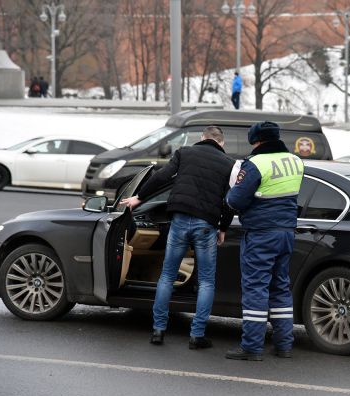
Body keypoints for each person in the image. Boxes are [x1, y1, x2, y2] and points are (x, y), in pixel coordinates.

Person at [120, 126, 235, 350]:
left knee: (167, 275)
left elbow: (161, 176)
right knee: (206, 281)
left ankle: (158, 330)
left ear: (202, 139)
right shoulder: (228, 163)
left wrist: (139, 198)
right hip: (206, 224)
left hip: (180, 219)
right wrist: (223, 227)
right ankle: (197, 335)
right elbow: (229, 200)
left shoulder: (185, 153)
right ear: (221, 143)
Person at [225, 121, 304, 361]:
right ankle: (283, 345)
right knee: (280, 287)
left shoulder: (255, 164)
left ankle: (251, 347)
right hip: (286, 232)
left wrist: (231, 191)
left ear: (256, 141)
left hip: (261, 234)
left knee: (255, 288)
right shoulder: (295, 161)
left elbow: (235, 201)